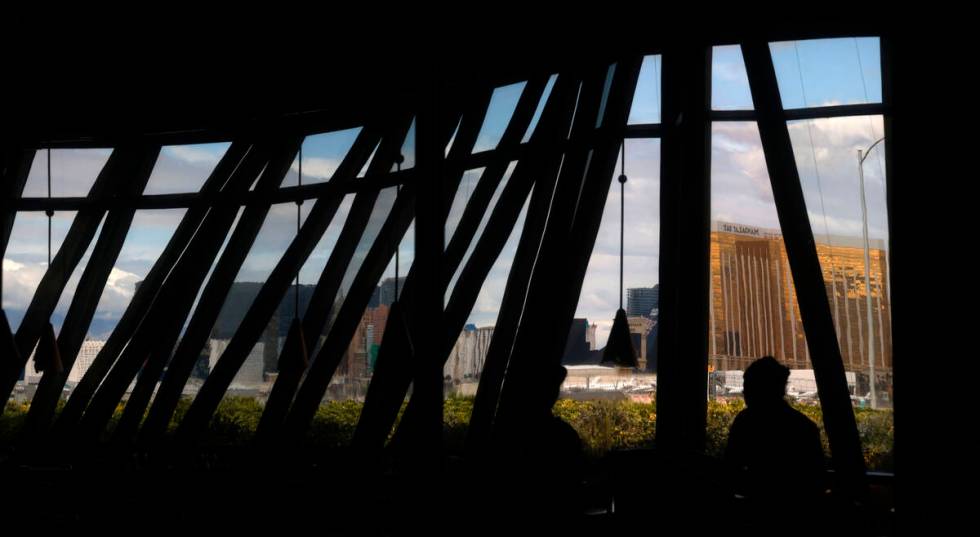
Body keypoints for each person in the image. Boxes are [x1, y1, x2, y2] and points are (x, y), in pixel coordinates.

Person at [725, 356, 826, 534]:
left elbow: (730, 469)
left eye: (748, 386)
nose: (744, 392)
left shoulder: (746, 422)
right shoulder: (804, 427)